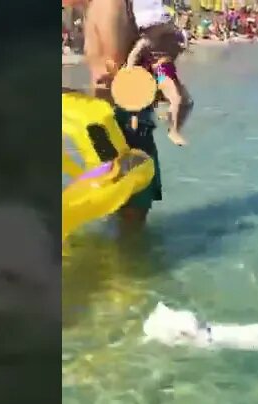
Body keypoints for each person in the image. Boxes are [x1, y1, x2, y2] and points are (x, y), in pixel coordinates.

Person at [82, 0, 162, 231]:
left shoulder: (107, 4)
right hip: (113, 119)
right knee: (122, 212)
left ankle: (132, 264)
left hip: (125, 120)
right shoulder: (99, 6)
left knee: (129, 217)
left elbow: (114, 69)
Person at [126, 0, 193, 146]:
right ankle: (173, 131)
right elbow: (133, 57)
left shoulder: (163, 37)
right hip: (160, 71)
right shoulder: (150, 40)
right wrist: (128, 73)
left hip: (162, 71)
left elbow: (133, 57)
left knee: (186, 102)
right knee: (176, 99)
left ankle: (166, 119)